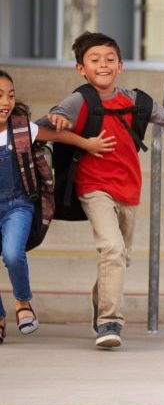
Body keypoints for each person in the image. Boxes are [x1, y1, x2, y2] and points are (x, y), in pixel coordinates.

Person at [38, 31, 164, 349]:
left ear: (120, 65)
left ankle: (99, 297)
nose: (103, 65)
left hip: (129, 189)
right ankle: (109, 321)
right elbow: (44, 125)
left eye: (109, 59)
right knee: (113, 250)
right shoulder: (80, 100)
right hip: (93, 188)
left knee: (121, 257)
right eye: (94, 60)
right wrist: (60, 121)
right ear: (81, 69)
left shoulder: (134, 101)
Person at [0, 69, 115, 344]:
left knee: (13, 254)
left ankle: (23, 302)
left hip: (18, 204)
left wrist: (87, 143)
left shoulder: (21, 127)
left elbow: (58, 136)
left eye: (10, 95)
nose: (6, 102)